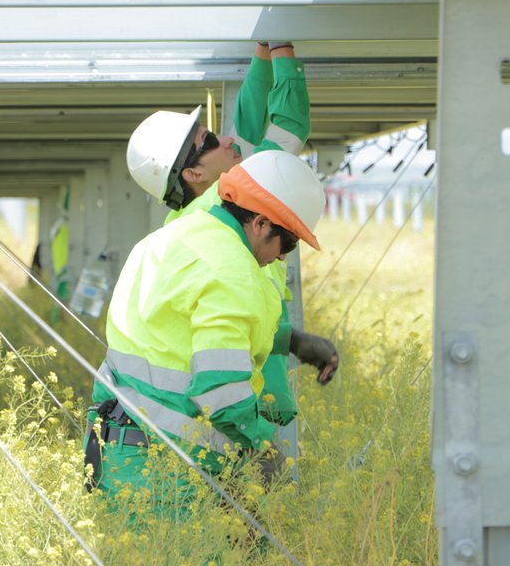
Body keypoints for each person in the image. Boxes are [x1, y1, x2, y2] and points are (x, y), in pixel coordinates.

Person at [85, 150, 338, 517]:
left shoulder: (171, 236)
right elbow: (221, 391)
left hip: (115, 449)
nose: (284, 256)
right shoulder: (231, 268)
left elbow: (178, 331)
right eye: (289, 242)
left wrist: (290, 340)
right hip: (165, 474)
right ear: (261, 223)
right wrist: (262, 449)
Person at [125, 41, 334, 427]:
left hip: (238, 382)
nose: (225, 140)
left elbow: (247, 129)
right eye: (208, 141)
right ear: (193, 174)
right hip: (235, 401)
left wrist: (262, 49)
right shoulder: (237, 197)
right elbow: (289, 127)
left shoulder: (196, 218)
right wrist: (284, 43)